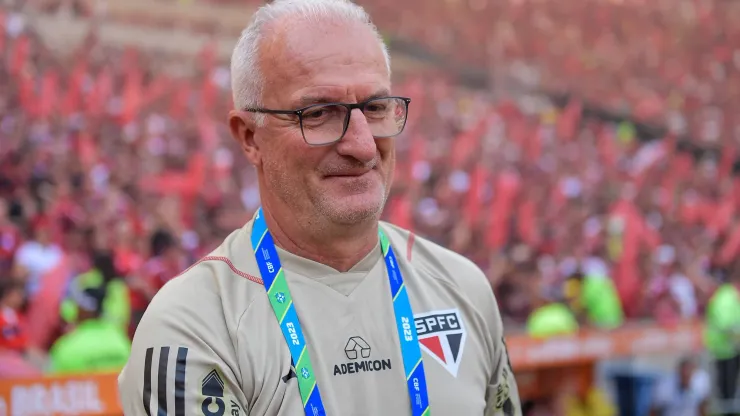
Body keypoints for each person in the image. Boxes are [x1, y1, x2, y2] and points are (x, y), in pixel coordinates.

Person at [118, 0, 521, 415]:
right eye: (320, 113)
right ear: (250, 138)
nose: (362, 145)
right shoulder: (193, 325)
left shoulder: (462, 288)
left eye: (376, 108)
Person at [48, 286, 131, 374]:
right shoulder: (122, 342)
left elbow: (51, 382)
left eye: (77, 306)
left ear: (83, 310)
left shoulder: (66, 347)